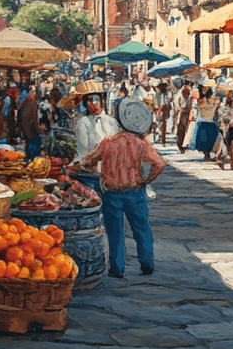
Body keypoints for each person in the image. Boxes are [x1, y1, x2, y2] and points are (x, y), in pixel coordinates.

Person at [72, 98, 165, 278]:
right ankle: (147, 264)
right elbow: (160, 164)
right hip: (135, 192)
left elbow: (87, 162)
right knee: (142, 228)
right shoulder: (141, 143)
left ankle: (117, 269)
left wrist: (99, 173)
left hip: (112, 194)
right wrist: (145, 180)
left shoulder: (108, 142)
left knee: (115, 233)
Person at [192, 87, 220, 161]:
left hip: (202, 122)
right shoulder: (215, 101)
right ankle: (209, 155)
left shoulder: (201, 101)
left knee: (204, 141)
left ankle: (206, 155)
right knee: (211, 140)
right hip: (211, 122)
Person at [19, 87, 41, 160]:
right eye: (33, 95)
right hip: (32, 132)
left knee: (28, 151)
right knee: (33, 153)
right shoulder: (32, 105)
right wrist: (38, 129)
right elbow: (34, 119)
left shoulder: (24, 105)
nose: (35, 97)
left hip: (26, 132)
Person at [173, 83, 193, 154]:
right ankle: (180, 146)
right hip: (181, 114)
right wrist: (179, 110)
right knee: (181, 130)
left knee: (186, 130)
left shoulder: (190, 97)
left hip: (188, 114)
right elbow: (176, 106)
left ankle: (184, 146)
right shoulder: (178, 96)